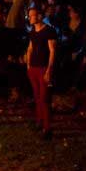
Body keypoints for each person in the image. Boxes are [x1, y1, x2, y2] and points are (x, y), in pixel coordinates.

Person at [26, 7, 57, 140]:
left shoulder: (49, 31)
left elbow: (52, 51)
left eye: (32, 15)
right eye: (29, 15)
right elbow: (30, 47)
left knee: (44, 98)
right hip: (33, 68)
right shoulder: (32, 30)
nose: (30, 18)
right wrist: (28, 64)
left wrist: (49, 70)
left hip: (43, 68)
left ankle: (47, 128)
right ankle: (40, 121)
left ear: (39, 16)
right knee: (37, 96)